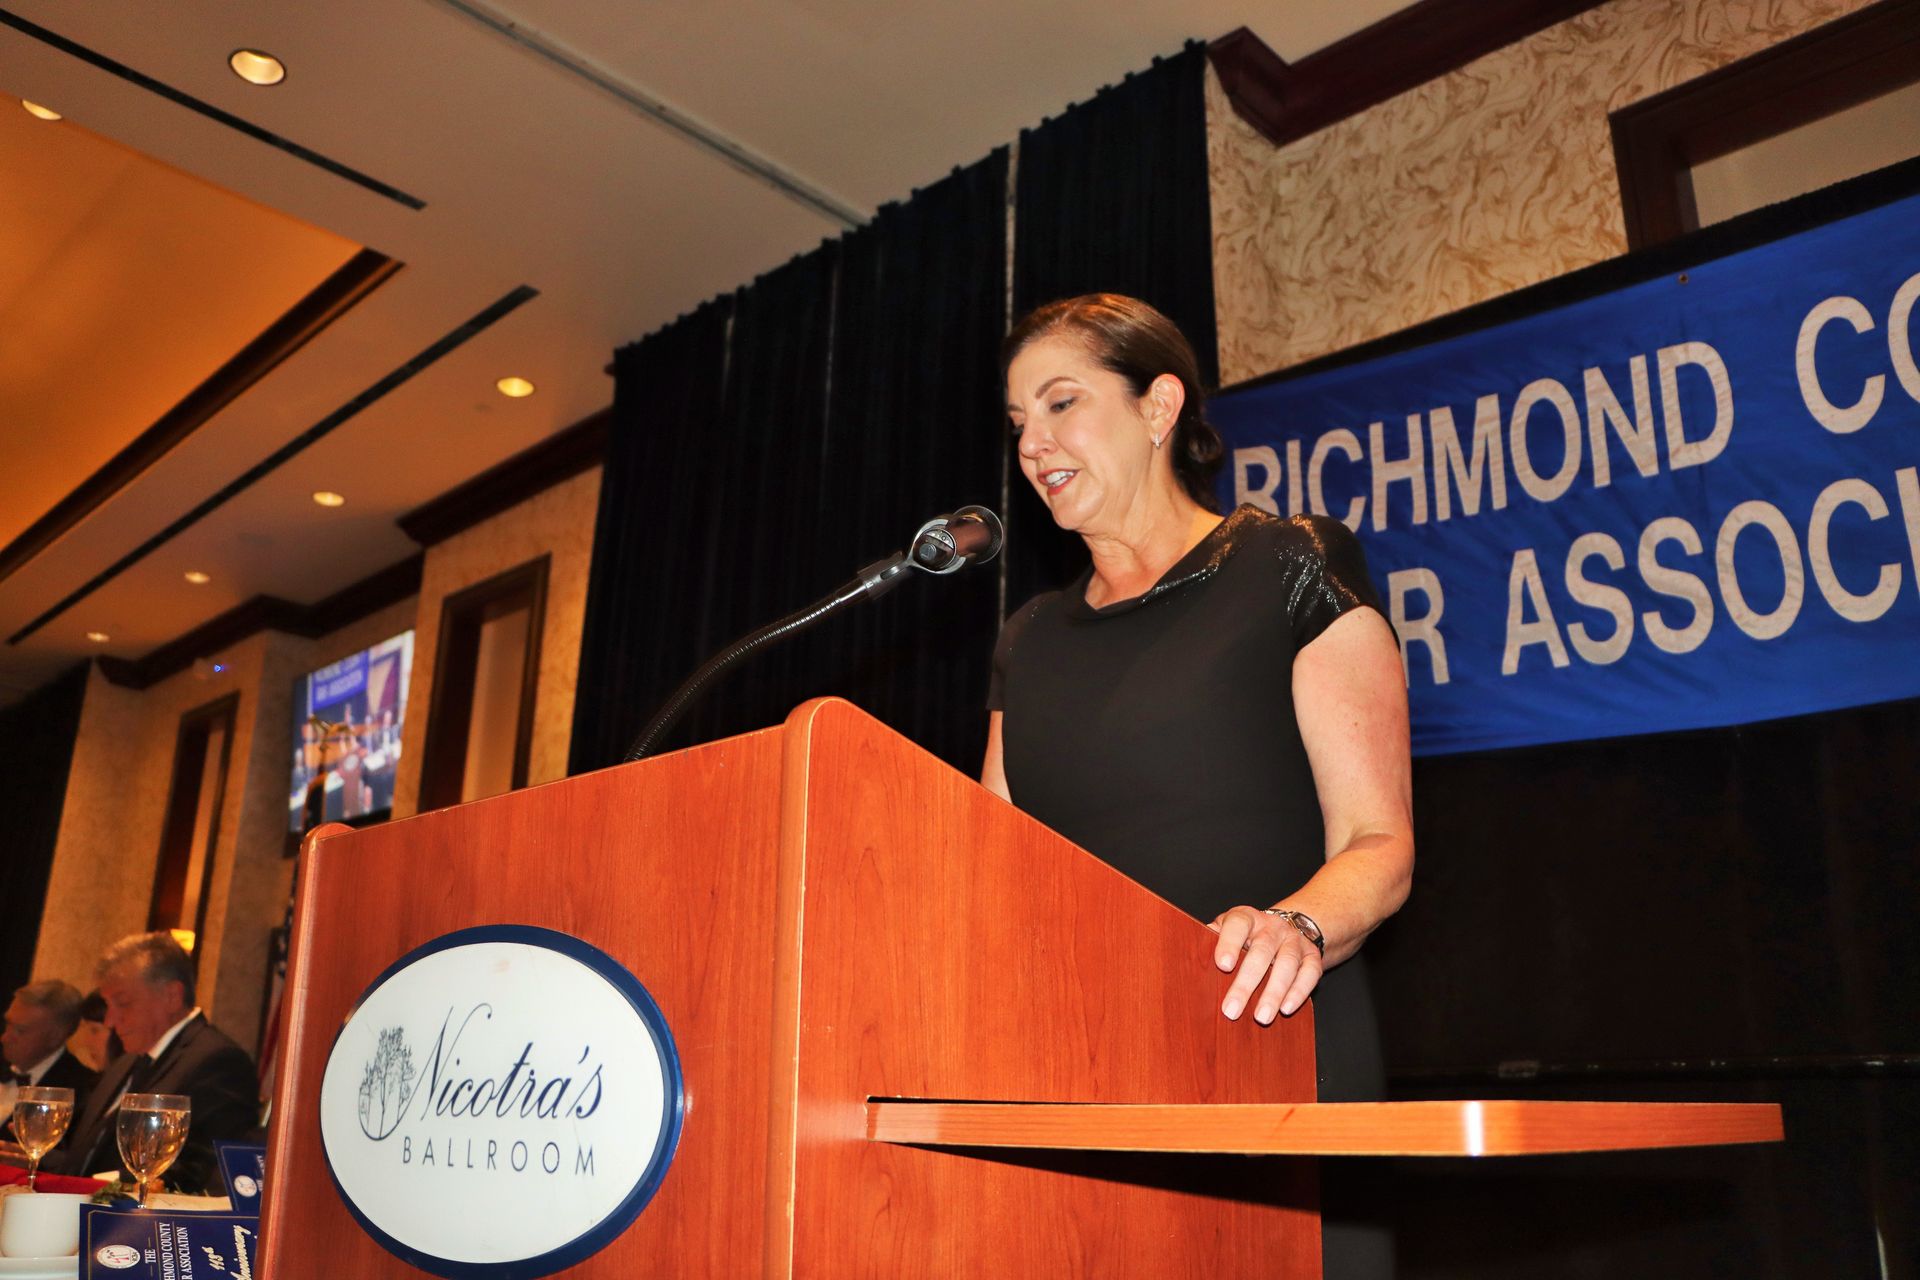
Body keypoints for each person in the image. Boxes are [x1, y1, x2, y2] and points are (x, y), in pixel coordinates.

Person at [982, 294, 1413, 1279]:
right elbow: (991, 867)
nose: (1034, 443)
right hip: (1078, 1077)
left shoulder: (1290, 564)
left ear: (1157, 405)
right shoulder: (1030, 638)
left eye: (1060, 403)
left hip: (1269, 1046)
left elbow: (1379, 842)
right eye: (1017, 424)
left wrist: (1295, 924)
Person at [39, 933, 258, 1194]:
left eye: (123, 1003)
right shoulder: (127, 1061)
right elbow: (88, 1157)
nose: (110, 1020)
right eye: (109, 1005)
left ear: (172, 996)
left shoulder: (219, 1062)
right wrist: (37, 1159)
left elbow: (198, 1174)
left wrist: (96, 1189)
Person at [1, 980, 100, 1153]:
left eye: (20, 1031)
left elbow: (65, 1163)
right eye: (8, 1024)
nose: (5, 1038)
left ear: (56, 1037)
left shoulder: (84, 1091)